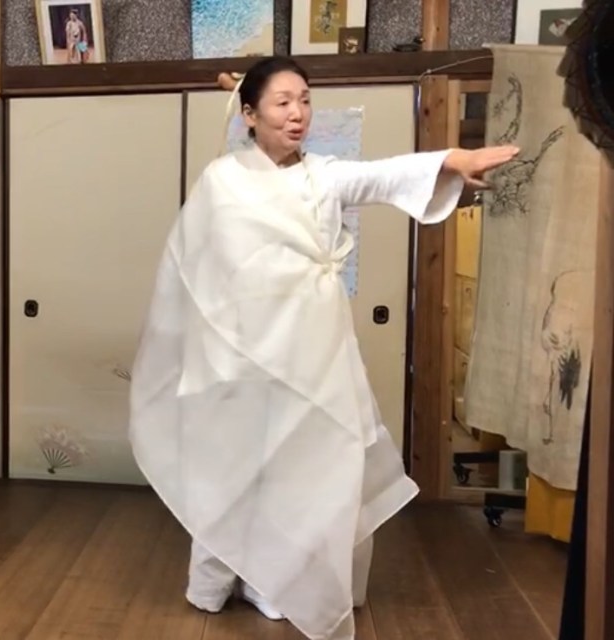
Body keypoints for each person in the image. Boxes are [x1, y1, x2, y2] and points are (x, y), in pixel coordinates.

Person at [128, 56, 519, 639]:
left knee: (305, 467)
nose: (298, 114)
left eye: (305, 100)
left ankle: (282, 584)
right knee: (230, 468)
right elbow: (195, 268)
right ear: (250, 114)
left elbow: (382, 177)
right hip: (234, 353)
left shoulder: (323, 176)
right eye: (283, 102)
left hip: (312, 349)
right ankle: (213, 580)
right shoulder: (222, 180)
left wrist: (449, 161)